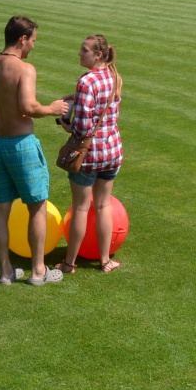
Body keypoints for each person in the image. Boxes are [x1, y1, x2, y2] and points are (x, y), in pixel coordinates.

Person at [0, 15, 69, 285]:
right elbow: (28, 107)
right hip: (21, 145)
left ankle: (5, 272)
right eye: (33, 40)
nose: (33, 46)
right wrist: (53, 109)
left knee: (1, 208)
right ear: (22, 39)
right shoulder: (25, 69)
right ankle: (38, 271)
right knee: (37, 207)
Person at [58, 34, 124, 274]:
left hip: (89, 155)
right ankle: (105, 261)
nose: (79, 53)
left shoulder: (86, 81)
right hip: (112, 151)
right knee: (103, 206)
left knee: (81, 208)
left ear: (97, 55)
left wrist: (66, 125)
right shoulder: (114, 76)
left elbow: (83, 127)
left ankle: (69, 263)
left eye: (84, 50)